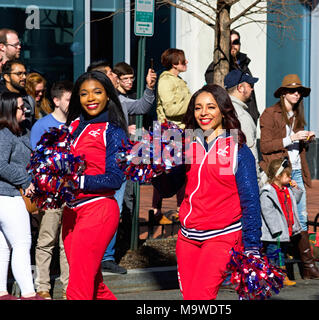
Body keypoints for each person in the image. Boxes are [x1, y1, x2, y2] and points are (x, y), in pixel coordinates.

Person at [154, 84, 261, 299]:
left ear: (223, 110)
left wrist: (252, 248)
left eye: (211, 107)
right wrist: (156, 168)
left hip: (222, 237)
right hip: (187, 238)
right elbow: (167, 188)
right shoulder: (188, 145)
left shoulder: (237, 150)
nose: (204, 113)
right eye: (198, 107)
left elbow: (250, 201)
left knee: (199, 298)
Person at [62, 71, 127, 300]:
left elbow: (115, 178)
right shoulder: (73, 126)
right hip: (71, 212)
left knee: (78, 287)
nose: (91, 98)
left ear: (109, 95)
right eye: (84, 93)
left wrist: (78, 181)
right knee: (93, 283)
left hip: (97, 210)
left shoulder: (114, 131)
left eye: (97, 92)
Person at [87, 59, 157, 273]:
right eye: (111, 73)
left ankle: (107, 257)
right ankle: (91, 255)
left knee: (113, 211)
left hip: (117, 165)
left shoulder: (120, 101)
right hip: (94, 165)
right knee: (94, 211)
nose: (116, 76)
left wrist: (149, 88)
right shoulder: (89, 104)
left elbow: (142, 106)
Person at [0, 92, 44, 300]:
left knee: (3, 245)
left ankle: (0, 293)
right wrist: (26, 180)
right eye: (21, 107)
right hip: (5, 196)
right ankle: (29, 294)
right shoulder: (2, 134)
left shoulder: (20, 130)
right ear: (8, 110)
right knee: (22, 244)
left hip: (7, 195)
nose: (26, 110)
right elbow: (0, 166)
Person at [260, 74, 319, 279]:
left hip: (296, 170)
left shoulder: (298, 114)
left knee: (301, 218)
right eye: (291, 90)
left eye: (299, 91)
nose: (296, 94)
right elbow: (265, 146)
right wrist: (292, 137)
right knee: (281, 219)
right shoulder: (270, 114)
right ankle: (278, 267)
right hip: (280, 174)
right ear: (283, 93)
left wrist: (307, 139)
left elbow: (296, 148)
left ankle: (308, 267)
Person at [31, 80, 73, 299]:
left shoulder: (77, 124)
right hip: (50, 193)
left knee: (67, 241)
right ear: (56, 101)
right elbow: (35, 160)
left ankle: (69, 287)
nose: (72, 102)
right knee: (46, 240)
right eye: (68, 99)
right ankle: (43, 286)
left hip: (72, 191)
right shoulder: (42, 125)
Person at [153, 48, 191, 223]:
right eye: (183, 61)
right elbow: (170, 109)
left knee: (182, 172)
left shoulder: (178, 80)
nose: (186, 63)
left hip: (182, 131)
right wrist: (193, 103)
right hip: (169, 132)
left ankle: (180, 210)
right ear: (174, 63)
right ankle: (156, 212)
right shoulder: (166, 81)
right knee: (164, 172)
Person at [260, 158, 303, 286]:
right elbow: (267, 212)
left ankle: (280, 276)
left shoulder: (287, 190)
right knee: (274, 254)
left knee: (281, 254)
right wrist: (276, 229)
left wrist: (296, 189)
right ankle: (272, 277)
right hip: (275, 232)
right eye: (287, 175)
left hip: (285, 229)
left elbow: (295, 201)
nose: (290, 178)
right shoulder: (268, 192)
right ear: (278, 176)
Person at [205, 30, 259, 126]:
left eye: (236, 42)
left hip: (249, 119)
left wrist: (254, 115)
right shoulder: (216, 67)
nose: (233, 45)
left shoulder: (243, 65)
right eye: (229, 43)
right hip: (231, 122)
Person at [224, 69, 266, 187]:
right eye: (250, 85)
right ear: (240, 88)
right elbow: (251, 153)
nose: (252, 89)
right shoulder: (242, 116)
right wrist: (257, 182)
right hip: (240, 179)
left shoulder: (218, 110)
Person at [0, 59, 35, 136]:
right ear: (7, 77)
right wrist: (6, 139)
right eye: (19, 74)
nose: (24, 77)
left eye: (25, 73)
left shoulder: (29, 100)